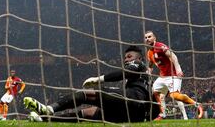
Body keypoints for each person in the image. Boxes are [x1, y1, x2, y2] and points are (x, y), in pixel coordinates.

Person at [23, 45, 160, 123]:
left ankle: (49, 109)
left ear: (140, 58)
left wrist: (99, 78)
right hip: (132, 114)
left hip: (134, 101)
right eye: (125, 58)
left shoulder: (140, 65)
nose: (126, 60)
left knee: (90, 93)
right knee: (88, 113)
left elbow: (124, 72)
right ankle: (46, 119)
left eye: (129, 57)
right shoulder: (144, 77)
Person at [144, 31, 203, 120]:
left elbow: (173, 56)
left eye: (149, 37)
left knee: (175, 96)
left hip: (173, 75)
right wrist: (149, 71)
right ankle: (162, 114)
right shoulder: (149, 53)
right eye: (146, 38)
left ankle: (196, 104)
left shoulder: (160, 46)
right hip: (162, 77)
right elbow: (151, 64)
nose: (147, 39)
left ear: (154, 38)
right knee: (155, 93)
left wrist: (178, 68)